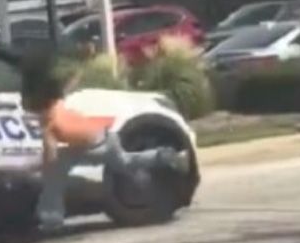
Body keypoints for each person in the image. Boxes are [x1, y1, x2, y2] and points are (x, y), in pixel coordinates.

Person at [19, 49, 190, 232]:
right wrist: (77, 72)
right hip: (103, 139)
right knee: (124, 162)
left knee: (57, 174)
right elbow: (64, 90)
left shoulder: (49, 128)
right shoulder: (56, 105)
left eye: (31, 110)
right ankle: (165, 156)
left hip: (96, 147)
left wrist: (32, 168)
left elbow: (50, 158)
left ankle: (51, 218)